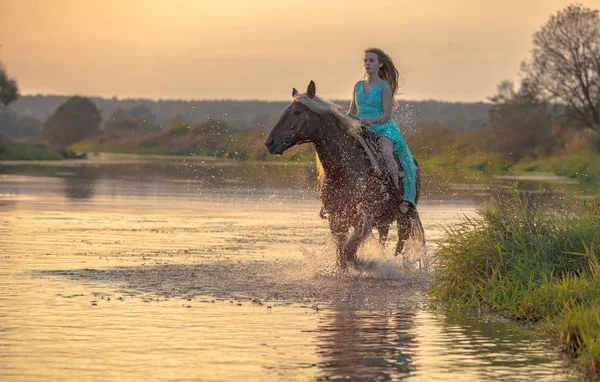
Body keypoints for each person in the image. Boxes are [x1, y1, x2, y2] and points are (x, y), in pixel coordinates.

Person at [347, 47, 417, 207]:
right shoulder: (357, 86)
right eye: (365, 60)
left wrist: (370, 120)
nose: (367, 63)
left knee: (386, 153)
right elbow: (352, 112)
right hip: (361, 128)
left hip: (383, 129)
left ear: (379, 64)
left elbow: (386, 115)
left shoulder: (385, 86)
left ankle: (395, 192)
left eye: (371, 60)